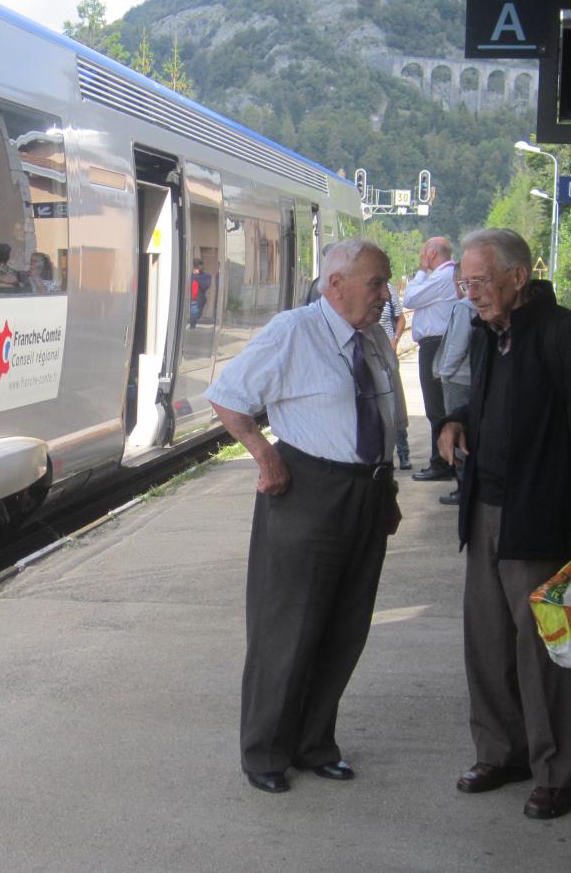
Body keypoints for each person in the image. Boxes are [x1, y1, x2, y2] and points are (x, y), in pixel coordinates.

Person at [205, 238, 405, 795]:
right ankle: (265, 751)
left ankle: (316, 743)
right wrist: (265, 455)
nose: (385, 296)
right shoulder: (294, 331)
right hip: (308, 491)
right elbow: (227, 396)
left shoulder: (375, 338)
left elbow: (384, 420)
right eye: (376, 284)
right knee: (286, 628)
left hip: (365, 494)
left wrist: (384, 490)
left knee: (345, 628)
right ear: (336, 284)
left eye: (386, 284)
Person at [438, 228, 571, 821]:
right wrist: (458, 419)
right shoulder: (491, 334)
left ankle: (554, 772)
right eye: (465, 283)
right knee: (487, 646)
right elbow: (498, 402)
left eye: (481, 281)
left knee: (544, 653)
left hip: (541, 520)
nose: (472, 294)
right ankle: (501, 753)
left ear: (518, 277)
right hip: (487, 511)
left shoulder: (567, 337)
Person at [404, 236, 458, 482]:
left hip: (436, 345)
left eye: (423, 252)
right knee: (436, 406)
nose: (421, 256)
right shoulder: (446, 276)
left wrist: (421, 271)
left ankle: (443, 463)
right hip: (435, 344)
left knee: (436, 406)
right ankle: (444, 461)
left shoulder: (442, 276)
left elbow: (410, 299)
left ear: (432, 254)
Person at [430, 268, 477, 504]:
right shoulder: (477, 307)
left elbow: (457, 345)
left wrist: (445, 374)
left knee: (457, 437)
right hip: (473, 378)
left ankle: (462, 487)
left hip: (458, 380)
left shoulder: (463, 308)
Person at [378, 279, 411, 470]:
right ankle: (384, 456)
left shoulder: (388, 287)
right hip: (369, 353)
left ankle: (404, 453)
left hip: (387, 354)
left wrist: (395, 340)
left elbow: (400, 318)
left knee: (396, 403)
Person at [190, 259, 212, 327]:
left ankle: (193, 324)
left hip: (198, 299)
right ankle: (192, 325)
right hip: (191, 298)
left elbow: (206, 285)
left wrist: (196, 277)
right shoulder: (189, 274)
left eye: (198, 266)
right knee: (194, 312)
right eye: (195, 266)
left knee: (196, 313)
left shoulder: (205, 276)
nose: (197, 268)